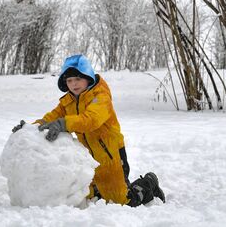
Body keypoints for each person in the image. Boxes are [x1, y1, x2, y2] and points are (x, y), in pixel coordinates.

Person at [12, 54, 165, 206]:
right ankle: (103, 189)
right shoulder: (68, 101)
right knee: (89, 196)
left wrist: (63, 124)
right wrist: (30, 128)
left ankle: (148, 182)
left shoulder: (100, 97)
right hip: (88, 157)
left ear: (88, 77)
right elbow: (51, 117)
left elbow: (91, 120)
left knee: (122, 202)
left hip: (110, 155)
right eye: (69, 80)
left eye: (78, 79)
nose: (74, 84)